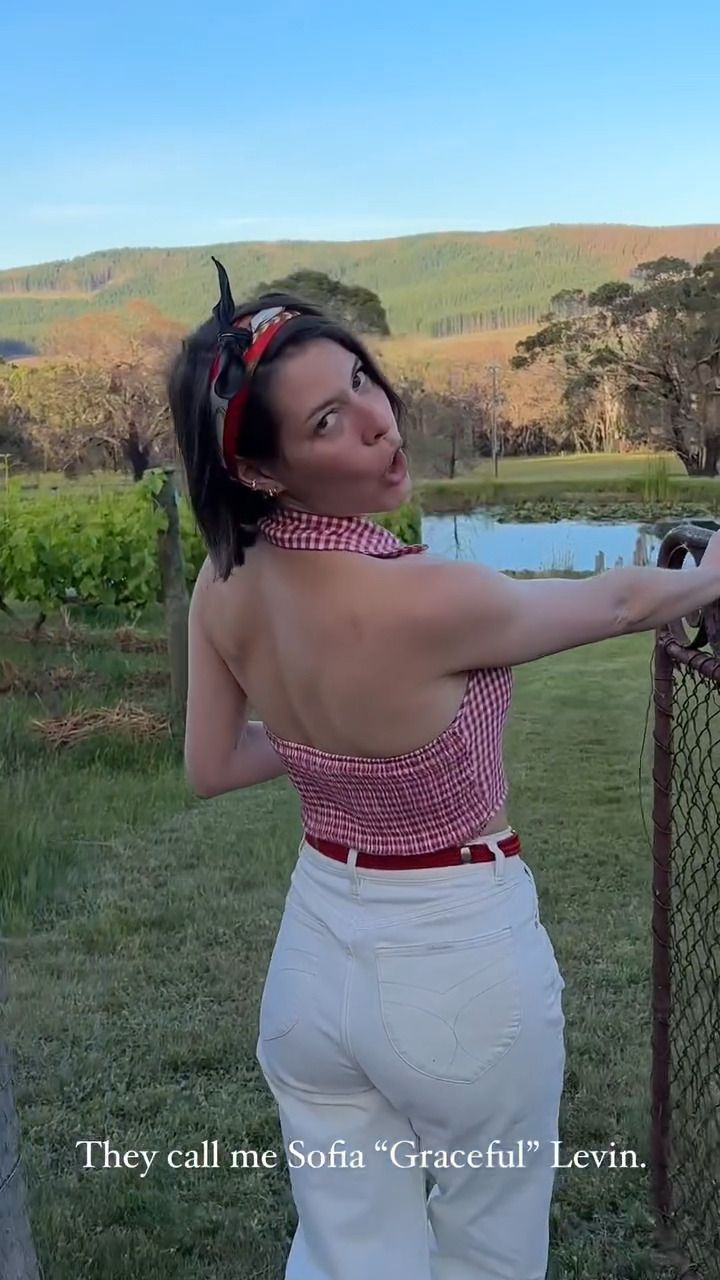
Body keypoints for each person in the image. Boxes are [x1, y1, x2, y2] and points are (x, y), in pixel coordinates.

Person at [167, 260, 720, 1280]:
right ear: (260, 469)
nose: (377, 421)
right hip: (455, 958)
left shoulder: (223, 580)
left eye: (361, 382)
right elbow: (617, 602)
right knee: (489, 1243)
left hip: (311, 963)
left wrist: (335, 751)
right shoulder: (423, 596)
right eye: (326, 422)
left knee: (345, 1252)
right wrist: (713, 572)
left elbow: (210, 764)